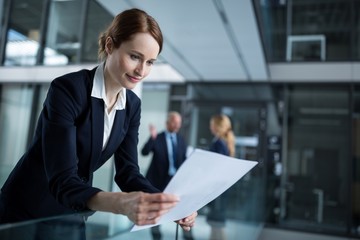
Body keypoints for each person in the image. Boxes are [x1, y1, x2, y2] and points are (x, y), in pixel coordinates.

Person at [0, 8, 197, 239]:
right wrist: (121, 204)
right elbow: (63, 179)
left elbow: (128, 172)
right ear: (110, 46)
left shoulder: (132, 105)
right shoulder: (68, 90)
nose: (142, 71)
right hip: (26, 212)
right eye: (135, 56)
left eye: (150, 62)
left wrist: (165, 204)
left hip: (73, 212)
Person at [141, 111, 195, 240]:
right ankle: (157, 237)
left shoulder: (181, 139)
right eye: (174, 123)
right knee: (156, 213)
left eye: (179, 123)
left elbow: (184, 159)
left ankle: (188, 237)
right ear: (167, 123)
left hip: (175, 181)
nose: (177, 126)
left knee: (183, 212)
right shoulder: (157, 137)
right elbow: (144, 152)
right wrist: (152, 137)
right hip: (158, 181)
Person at [206, 114, 236, 240]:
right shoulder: (225, 142)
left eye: (212, 124)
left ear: (217, 126)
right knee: (216, 225)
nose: (210, 126)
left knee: (217, 224)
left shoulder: (219, 143)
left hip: (217, 190)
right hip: (221, 189)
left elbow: (215, 166)